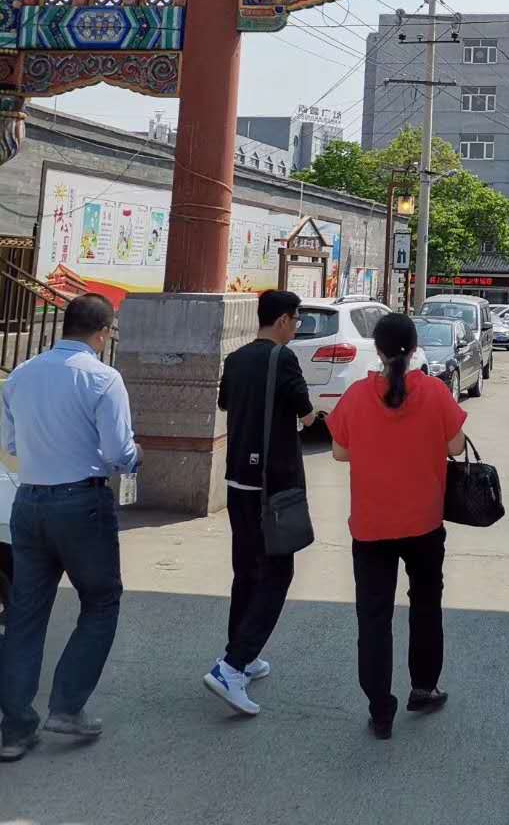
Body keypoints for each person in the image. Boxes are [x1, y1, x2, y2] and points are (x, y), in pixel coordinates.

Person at [0, 293, 140, 762]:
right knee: (100, 601)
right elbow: (118, 452)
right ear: (102, 333)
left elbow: (12, 444)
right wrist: (135, 457)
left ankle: (15, 730)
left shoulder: (21, 374)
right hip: (82, 503)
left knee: (24, 614)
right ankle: (66, 706)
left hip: (29, 501)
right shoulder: (103, 378)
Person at [328, 313, 467, 739]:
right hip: (424, 521)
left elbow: (339, 452)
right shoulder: (434, 391)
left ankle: (380, 709)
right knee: (425, 604)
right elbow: (456, 446)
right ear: (415, 348)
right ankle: (423, 687)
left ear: (378, 349)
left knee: (373, 616)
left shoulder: (357, 395)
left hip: (371, 524)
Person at [203, 288, 316, 717]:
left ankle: (242, 656)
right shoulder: (283, 359)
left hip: (238, 480)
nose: (296, 328)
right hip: (273, 485)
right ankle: (232, 666)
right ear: (284, 320)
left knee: (246, 571)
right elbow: (306, 414)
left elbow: (226, 402)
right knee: (278, 573)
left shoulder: (235, 359)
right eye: (297, 320)